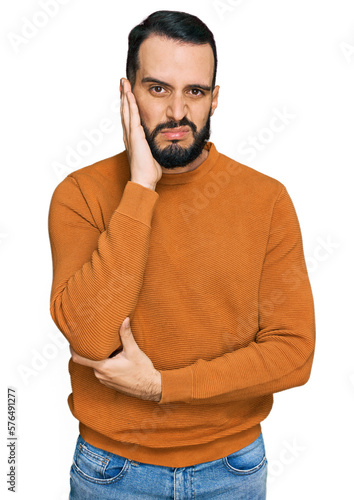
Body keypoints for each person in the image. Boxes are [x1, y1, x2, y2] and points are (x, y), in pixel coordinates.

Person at [48, 10, 315, 500]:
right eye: (157, 89)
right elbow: (89, 333)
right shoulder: (80, 194)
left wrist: (163, 387)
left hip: (232, 470)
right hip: (112, 472)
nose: (177, 111)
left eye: (194, 91)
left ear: (215, 98)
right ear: (127, 93)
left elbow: (293, 354)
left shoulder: (266, 199)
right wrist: (142, 187)